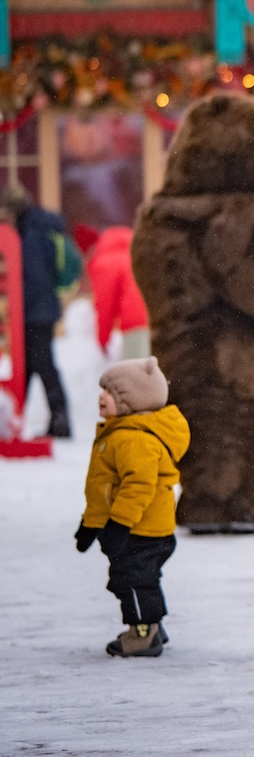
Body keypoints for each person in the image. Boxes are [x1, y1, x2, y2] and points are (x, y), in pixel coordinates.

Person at [74, 357, 189, 658]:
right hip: (138, 526)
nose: (102, 397)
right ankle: (153, 626)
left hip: (142, 529)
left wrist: (119, 525)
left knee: (133, 580)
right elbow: (104, 490)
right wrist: (91, 525)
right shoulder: (119, 433)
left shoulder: (134, 439)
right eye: (103, 391)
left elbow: (138, 487)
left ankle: (143, 634)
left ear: (131, 402)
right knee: (139, 578)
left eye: (111, 393)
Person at [4, 184, 75, 437]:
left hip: (34, 311)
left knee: (40, 364)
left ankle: (57, 421)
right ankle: (21, 419)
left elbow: (30, 278)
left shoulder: (29, 233)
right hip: (42, 309)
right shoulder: (42, 228)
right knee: (34, 365)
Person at [88, 226, 150, 358]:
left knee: (134, 374)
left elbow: (104, 304)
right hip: (157, 322)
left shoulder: (106, 262)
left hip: (135, 324)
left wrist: (103, 340)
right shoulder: (139, 255)